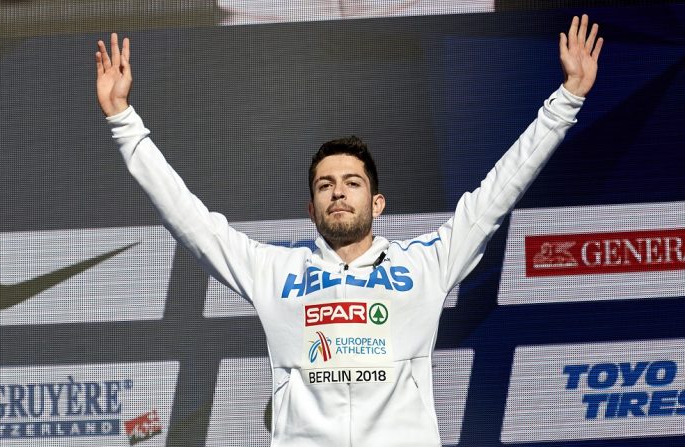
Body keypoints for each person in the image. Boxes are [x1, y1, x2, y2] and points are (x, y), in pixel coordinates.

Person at [95, 15, 602, 447]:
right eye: (325, 186)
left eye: (352, 183)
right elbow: (190, 220)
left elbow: (497, 194)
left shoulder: (426, 263)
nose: (338, 192)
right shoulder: (274, 271)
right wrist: (123, 122)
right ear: (311, 208)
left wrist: (567, 100)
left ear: (376, 202)